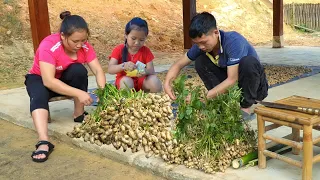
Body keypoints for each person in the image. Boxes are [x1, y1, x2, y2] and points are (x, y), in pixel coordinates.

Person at [25, 11, 106, 162]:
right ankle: (44, 141)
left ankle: (79, 114)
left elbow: (98, 70)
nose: (80, 45)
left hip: (63, 79)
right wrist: (79, 93)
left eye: (83, 40)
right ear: (63, 36)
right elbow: (48, 81)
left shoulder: (85, 47)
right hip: (40, 79)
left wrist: (103, 90)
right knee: (38, 92)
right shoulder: (49, 46)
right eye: (75, 41)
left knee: (78, 70)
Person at [164, 12, 268, 118]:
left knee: (248, 62)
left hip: (255, 87)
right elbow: (178, 64)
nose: (201, 47)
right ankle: (221, 101)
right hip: (233, 87)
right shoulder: (201, 46)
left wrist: (203, 97)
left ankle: (245, 106)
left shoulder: (234, 41)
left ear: (216, 32)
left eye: (204, 42)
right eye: (197, 43)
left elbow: (232, 79)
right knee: (200, 61)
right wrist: (167, 83)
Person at [108, 17, 162, 92]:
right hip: (124, 82)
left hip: (142, 82)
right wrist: (123, 66)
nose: (137, 43)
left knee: (154, 81)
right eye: (133, 38)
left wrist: (144, 71)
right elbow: (110, 69)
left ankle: (153, 100)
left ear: (145, 38)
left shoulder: (146, 51)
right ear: (126, 35)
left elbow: (151, 71)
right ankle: (127, 101)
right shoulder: (118, 49)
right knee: (127, 81)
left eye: (141, 40)